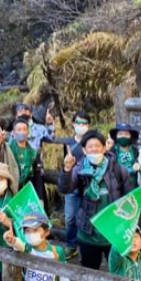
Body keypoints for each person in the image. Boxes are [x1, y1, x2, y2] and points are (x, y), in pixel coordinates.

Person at [58, 129, 133, 281]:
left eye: (97, 146)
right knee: (88, 275)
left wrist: (128, 226)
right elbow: (65, 189)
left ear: (104, 147)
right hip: (88, 233)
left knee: (119, 274)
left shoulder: (118, 169)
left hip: (113, 232)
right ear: (83, 150)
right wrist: (66, 168)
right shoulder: (79, 168)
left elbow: (129, 198)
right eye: (89, 147)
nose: (94, 150)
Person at [57, 110, 91, 260]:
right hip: (72, 185)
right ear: (73, 124)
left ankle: (85, 247)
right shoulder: (68, 143)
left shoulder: (92, 143)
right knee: (70, 217)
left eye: (84, 123)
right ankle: (71, 245)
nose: (81, 126)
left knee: (87, 218)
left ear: (89, 125)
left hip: (88, 187)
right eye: (78, 122)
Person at [7, 117, 45, 200]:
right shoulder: (7, 149)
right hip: (9, 189)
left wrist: (40, 198)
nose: (22, 132)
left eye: (24, 129)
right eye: (19, 129)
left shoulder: (34, 153)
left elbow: (37, 176)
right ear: (13, 133)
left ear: (28, 132)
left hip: (27, 189)